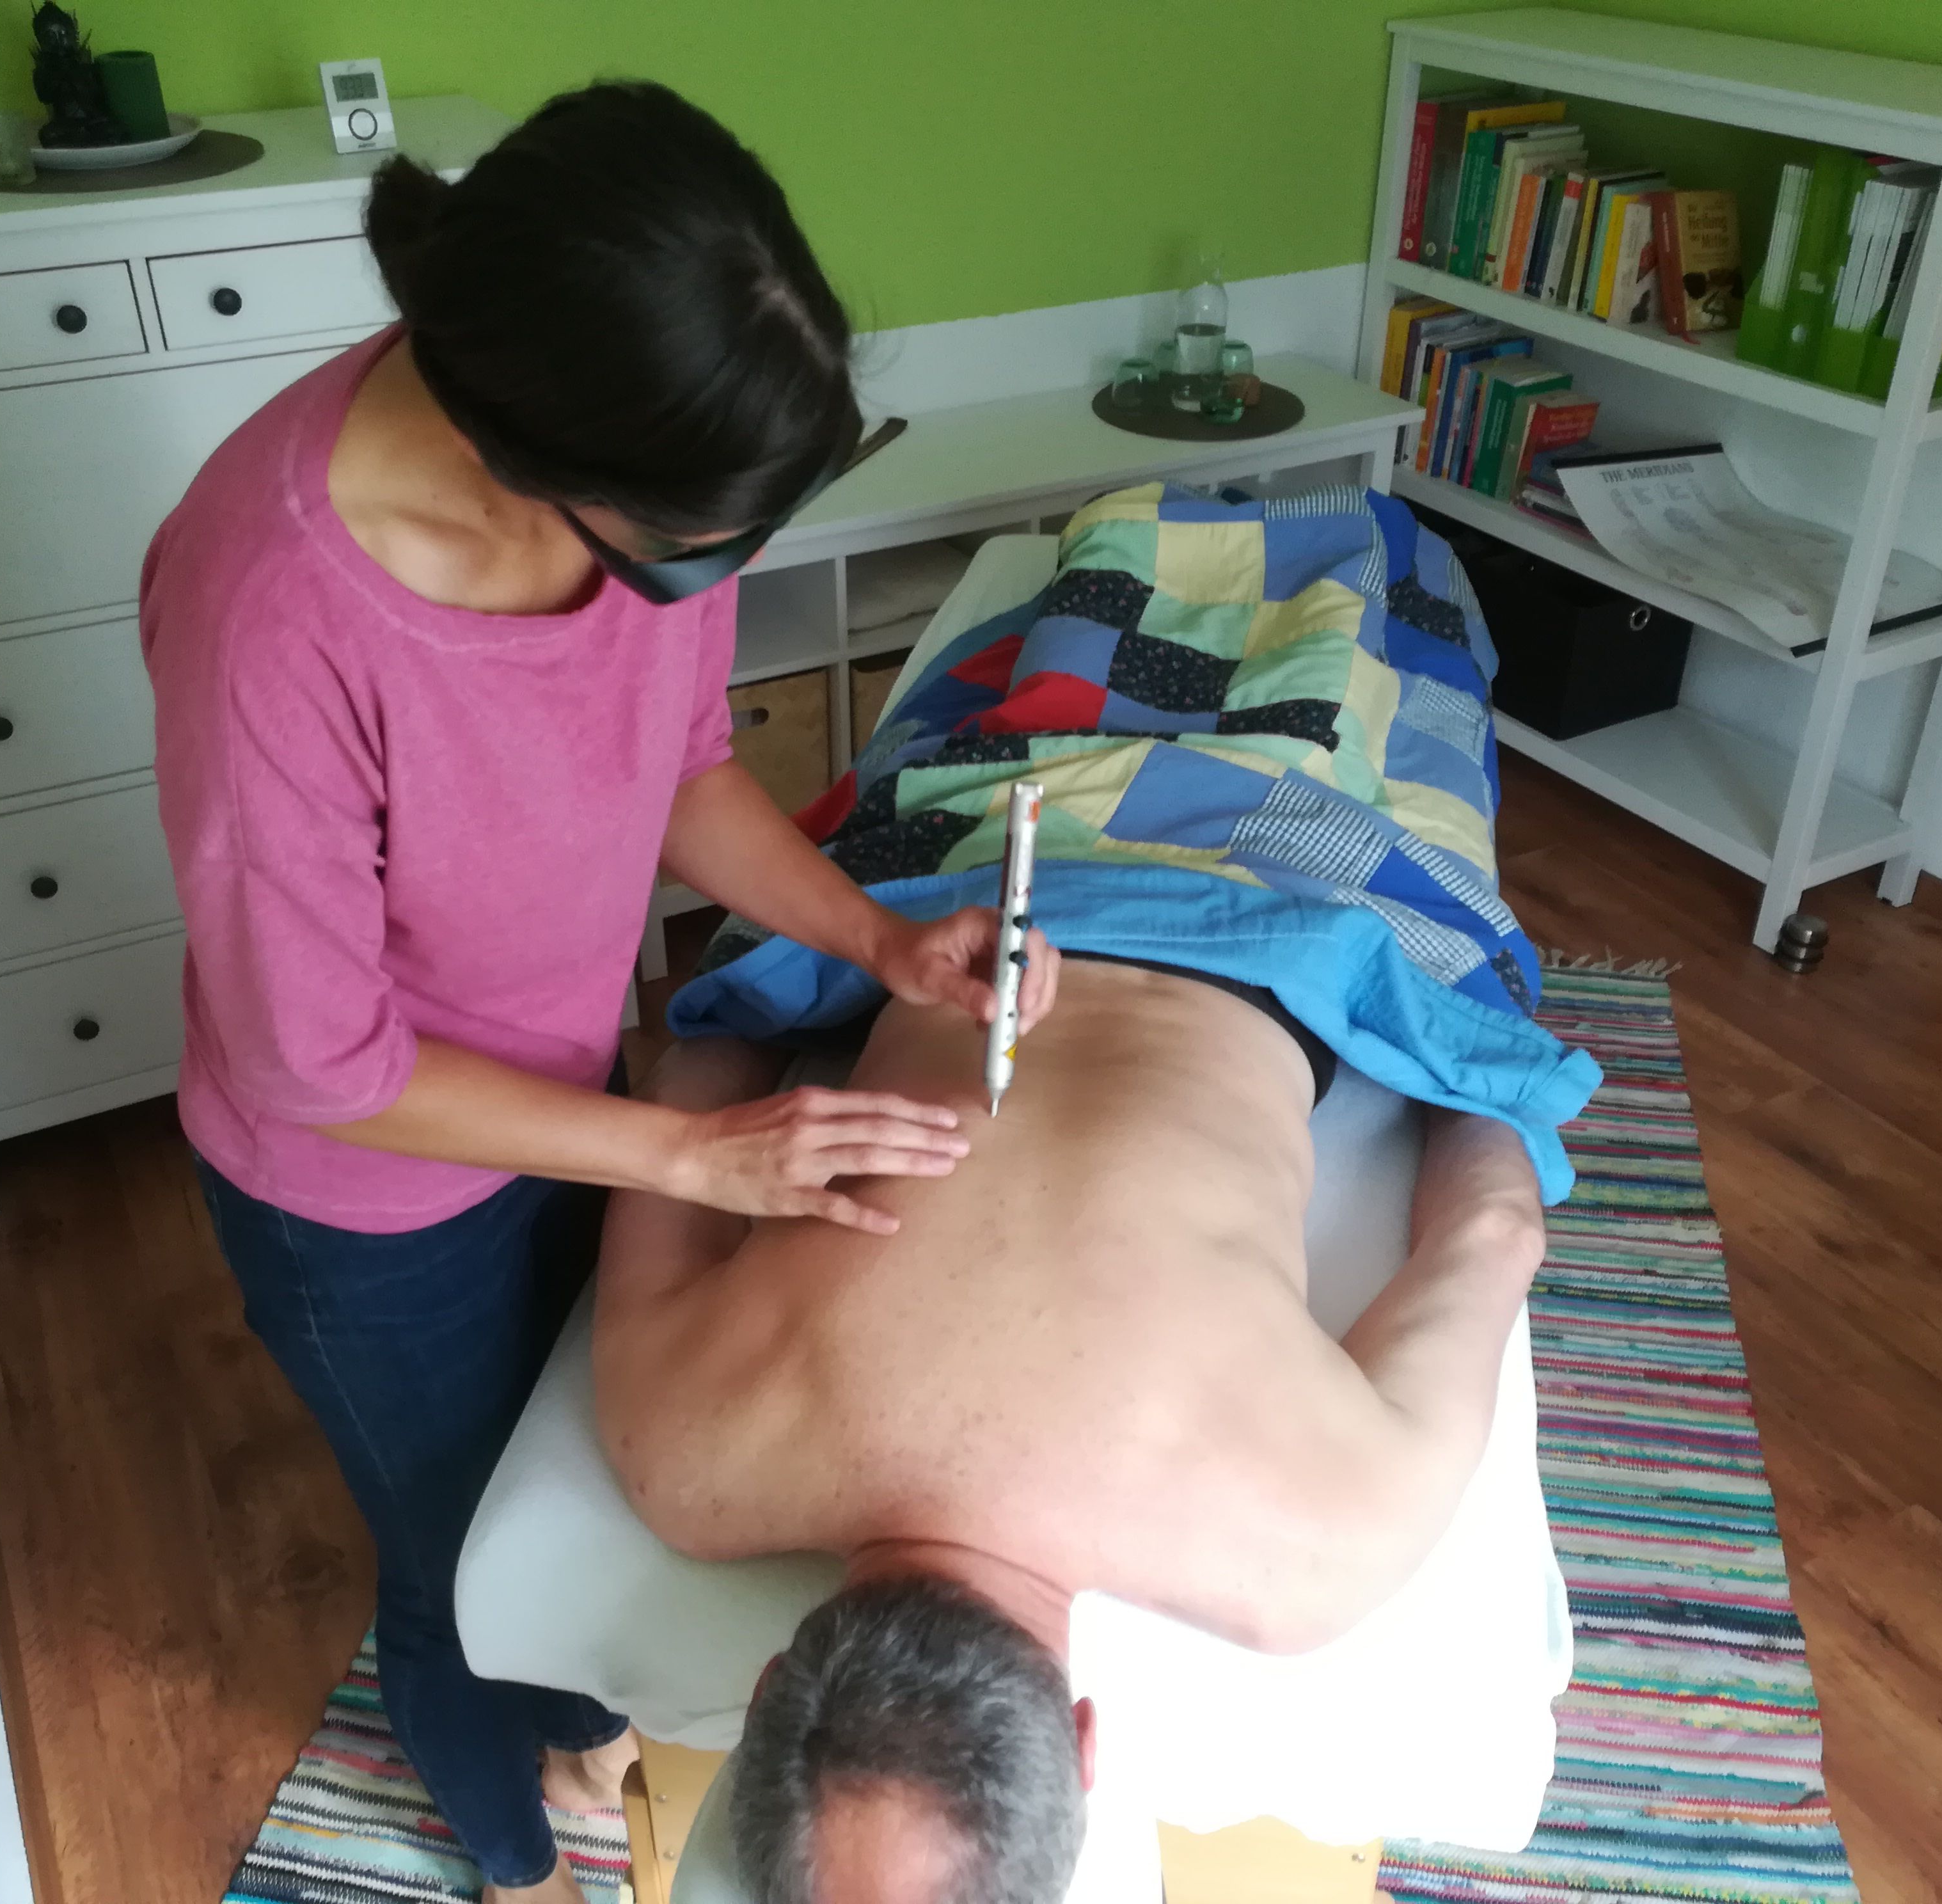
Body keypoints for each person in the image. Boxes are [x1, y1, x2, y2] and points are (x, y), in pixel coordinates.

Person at [141, 83, 1055, 1904]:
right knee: (458, 1563)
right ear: (526, 454)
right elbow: (319, 1059)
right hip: (360, 1193)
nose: (714, 576)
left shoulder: (646, 481)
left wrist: (878, 941)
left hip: (565, 1093)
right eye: (696, 543)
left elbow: (681, 765)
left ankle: (575, 1719)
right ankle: (511, 1862)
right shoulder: (270, 609)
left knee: (568, 1472)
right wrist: (691, 1158)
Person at [593, 961, 1545, 1904]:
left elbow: (1497, 1228)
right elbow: (698, 1074)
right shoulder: (680, 1454)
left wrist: (1447, 1014)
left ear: (1084, 1745)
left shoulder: (1308, 1559)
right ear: (770, 1691)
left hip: (1284, 948)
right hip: (940, 932)